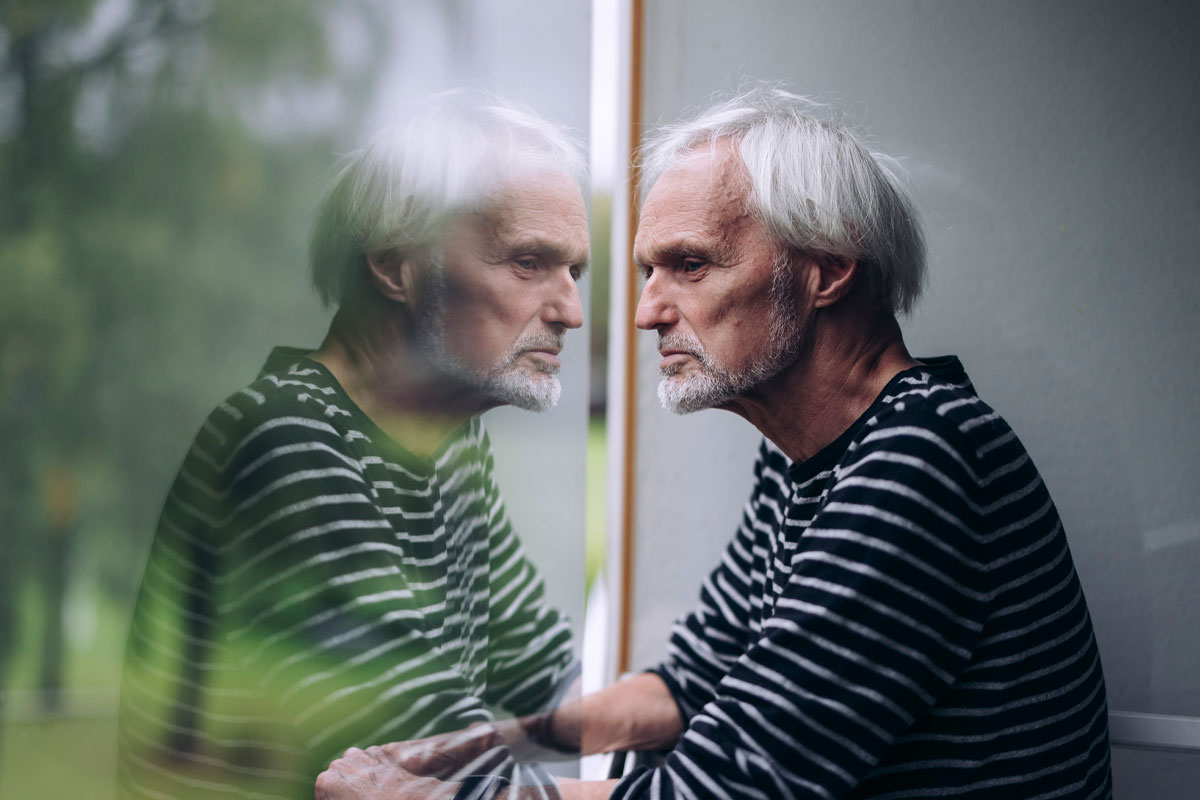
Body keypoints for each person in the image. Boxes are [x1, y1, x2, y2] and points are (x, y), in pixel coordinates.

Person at [316, 85, 1113, 799]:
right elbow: (687, 684)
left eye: (689, 266)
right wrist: (456, 754)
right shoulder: (807, 456)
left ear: (826, 269)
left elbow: (725, 788)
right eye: (647, 272)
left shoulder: (920, 461)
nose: (645, 312)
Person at [117, 94, 590, 800]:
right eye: (528, 263)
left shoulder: (444, 446)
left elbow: (543, 676)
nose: (570, 311)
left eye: (574, 272)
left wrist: (732, 729)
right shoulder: (288, 441)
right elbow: (438, 774)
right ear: (397, 267)